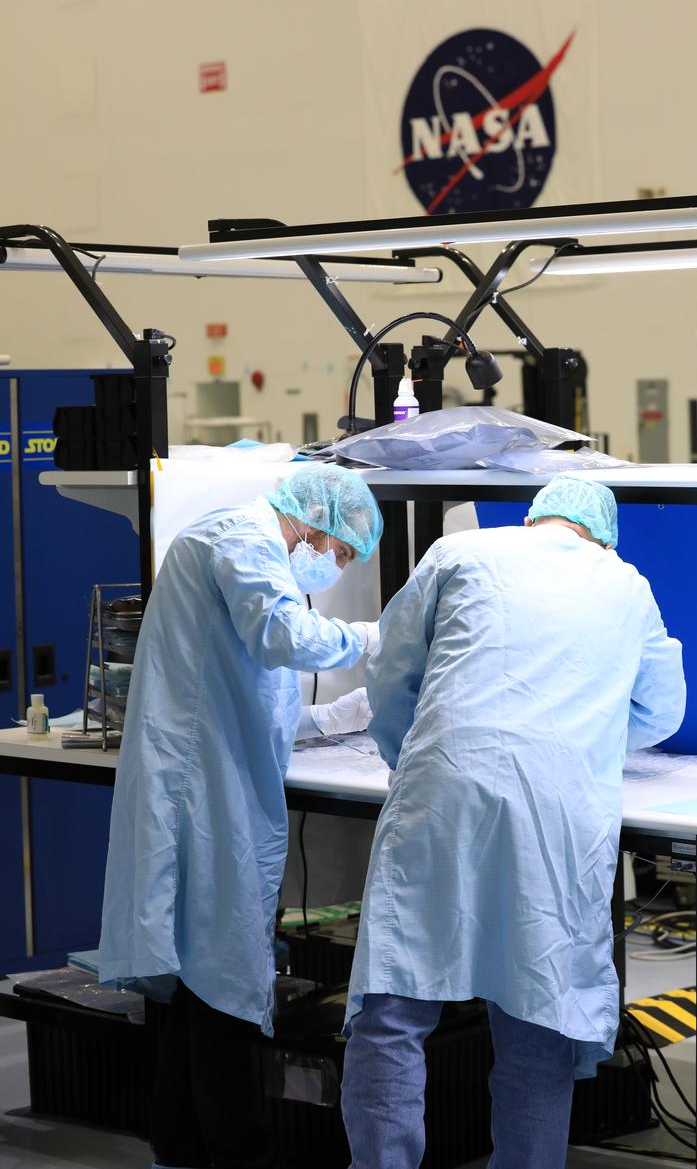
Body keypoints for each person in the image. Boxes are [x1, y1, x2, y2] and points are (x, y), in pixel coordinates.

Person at [341, 474, 686, 1169]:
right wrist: (581, 730)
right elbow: (660, 712)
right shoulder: (626, 585)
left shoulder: (459, 551)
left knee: (395, 1008)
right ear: (602, 533)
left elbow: (392, 670)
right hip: (556, 808)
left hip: (442, 789)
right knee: (537, 1009)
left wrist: (405, 751)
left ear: (535, 517)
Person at [97, 464, 383, 1169]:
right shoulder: (242, 540)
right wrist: (381, 639)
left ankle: (184, 1144)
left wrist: (336, 716)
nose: (333, 566)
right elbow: (283, 639)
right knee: (220, 975)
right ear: (317, 524)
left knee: (199, 982)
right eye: (341, 554)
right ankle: (235, 1148)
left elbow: (255, 699)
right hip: (202, 791)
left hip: (209, 776)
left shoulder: (243, 548)